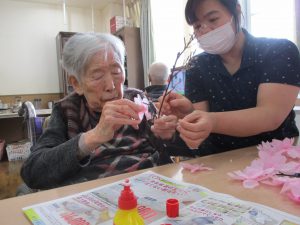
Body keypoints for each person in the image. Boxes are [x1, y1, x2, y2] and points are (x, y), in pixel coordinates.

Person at [21, 33, 177, 190]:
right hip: (95, 196)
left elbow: (165, 150)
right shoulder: (67, 110)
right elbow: (32, 172)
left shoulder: (137, 99)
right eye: (97, 76)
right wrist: (93, 137)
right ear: (77, 84)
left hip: (148, 186)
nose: (111, 85)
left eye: (116, 72)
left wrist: (167, 135)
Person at [159, 0, 300, 155]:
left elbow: (270, 116)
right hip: (218, 159)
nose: (205, 30)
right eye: (198, 26)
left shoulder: (278, 51)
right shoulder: (197, 65)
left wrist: (211, 121)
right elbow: (202, 125)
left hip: (276, 159)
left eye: (213, 19)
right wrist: (187, 115)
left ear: (237, 12)